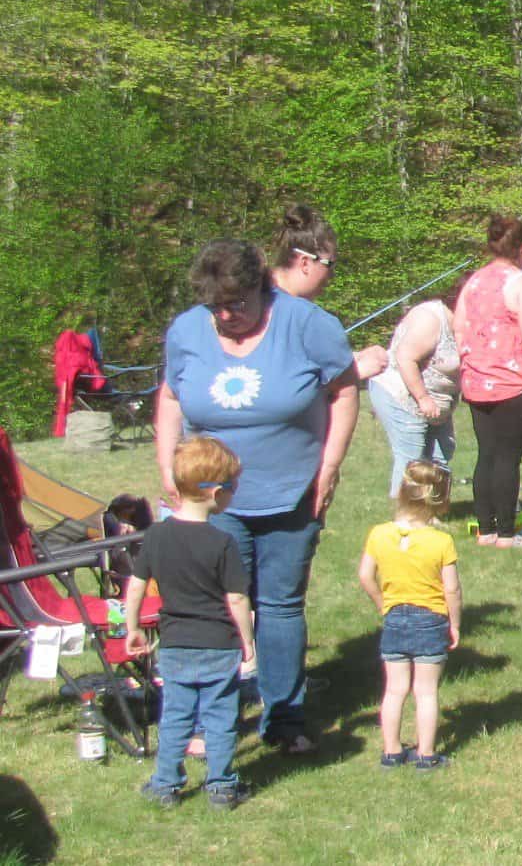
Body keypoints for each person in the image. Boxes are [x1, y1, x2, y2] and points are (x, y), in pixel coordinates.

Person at [156, 238, 359, 753]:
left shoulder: (307, 324)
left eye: (238, 304)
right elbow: (171, 395)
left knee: (279, 604)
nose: (227, 315)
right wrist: (167, 466)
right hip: (208, 497)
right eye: (216, 307)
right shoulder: (187, 330)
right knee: (213, 605)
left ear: (263, 289)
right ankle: (207, 719)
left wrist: (330, 465)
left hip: (292, 492)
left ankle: (284, 720)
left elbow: (345, 388)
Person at [126, 435, 255, 809]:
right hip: (218, 644)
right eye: (233, 489)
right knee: (220, 717)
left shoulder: (156, 535)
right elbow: (236, 598)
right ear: (217, 493)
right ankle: (221, 786)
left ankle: (165, 785)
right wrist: (247, 640)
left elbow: (135, 587)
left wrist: (133, 628)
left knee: (176, 717)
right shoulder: (223, 542)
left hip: (175, 644)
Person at [357, 461, 461, 772]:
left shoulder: (379, 534)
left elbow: (365, 575)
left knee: (394, 689)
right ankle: (426, 754)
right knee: (426, 691)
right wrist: (454, 623)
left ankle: (391, 751)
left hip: (394, 617)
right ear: (440, 500)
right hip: (430, 619)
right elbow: (452, 589)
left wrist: (382, 603)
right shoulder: (441, 541)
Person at [452, 215, 522, 548]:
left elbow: (459, 327)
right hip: (513, 382)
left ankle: (487, 529)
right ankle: (506, 533)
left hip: (477, 381)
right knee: (508, 457)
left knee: (487, 454)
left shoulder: (474, 281)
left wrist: (472, 362)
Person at [270, 204, 388, 381]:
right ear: (305, 263)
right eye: (330, 264)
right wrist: (356, 371)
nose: (331, 275)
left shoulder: (243, 299)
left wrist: (349, 358)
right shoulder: (311, 319)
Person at [368, 295, 460, 497]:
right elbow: (405, 357)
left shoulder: (466, 322)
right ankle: (405, 518)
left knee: (441, 454)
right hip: (403, 394)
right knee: (412, 460)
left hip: (440, 401)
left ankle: (433, 512)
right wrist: (423, 398)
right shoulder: (431, 319)